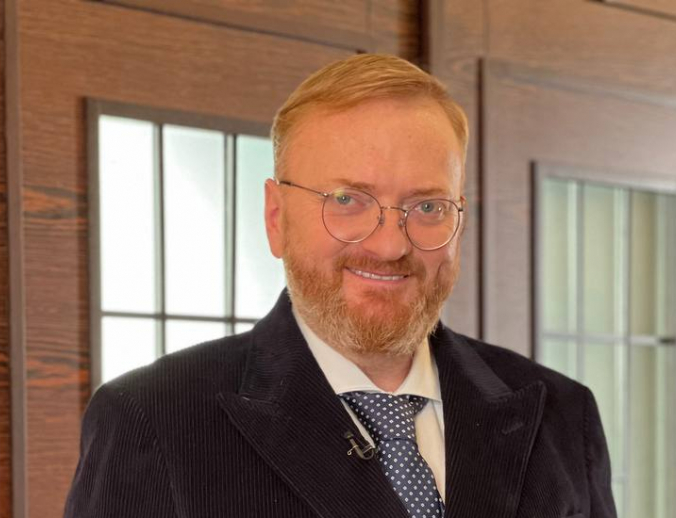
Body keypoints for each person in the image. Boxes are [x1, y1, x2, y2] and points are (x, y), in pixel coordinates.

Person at [63, 54, 617, 518]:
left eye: (428, 207)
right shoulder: (153, 419)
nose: (389, 245)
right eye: (348, 201)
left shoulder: (563, 415)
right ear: (276, 217)